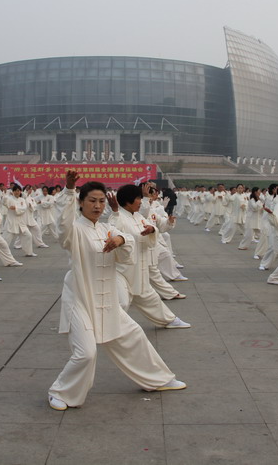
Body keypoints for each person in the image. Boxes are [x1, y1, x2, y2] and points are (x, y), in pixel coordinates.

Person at [47, 171, 185, 411]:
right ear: (81, 202)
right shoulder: (74, 230)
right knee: (86, 353)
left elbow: (127, 247)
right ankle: (59, 392)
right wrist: (69, 190)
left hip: (107, 297)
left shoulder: (105, 229)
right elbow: (63, 226)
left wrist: (120, 240)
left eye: (101, 201)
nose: (97, 206)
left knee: (134, 335)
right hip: (81, 298)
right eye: (92, 201)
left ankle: (158, 379)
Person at [107, 185, 190, 329]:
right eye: (138, 198)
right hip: (123, 271)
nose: (141, 202)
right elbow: (112, 229)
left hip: (140, 267)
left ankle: (169, 320)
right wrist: (115, 212)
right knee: (122, 302)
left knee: (148, 296)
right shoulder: (118, 217)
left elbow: (154, 228)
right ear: (128, 200)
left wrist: (152, 230)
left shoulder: (138, 217)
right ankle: (107, 327)